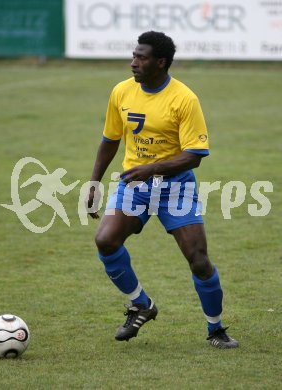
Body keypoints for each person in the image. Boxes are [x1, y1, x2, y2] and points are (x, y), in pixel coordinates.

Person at [86, 31, 238, 348]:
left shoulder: (184, 99)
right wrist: (94, 182)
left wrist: (151, 167)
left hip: (175, 189)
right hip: (134, 186)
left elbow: (194, 156)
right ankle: (141, 304)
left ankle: (216, 329)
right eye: (133, 56)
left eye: (141, 58)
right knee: (105, 239)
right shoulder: (122, 92)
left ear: (161, 62)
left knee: (198, 259)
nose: (133, 63)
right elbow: (110, 139)